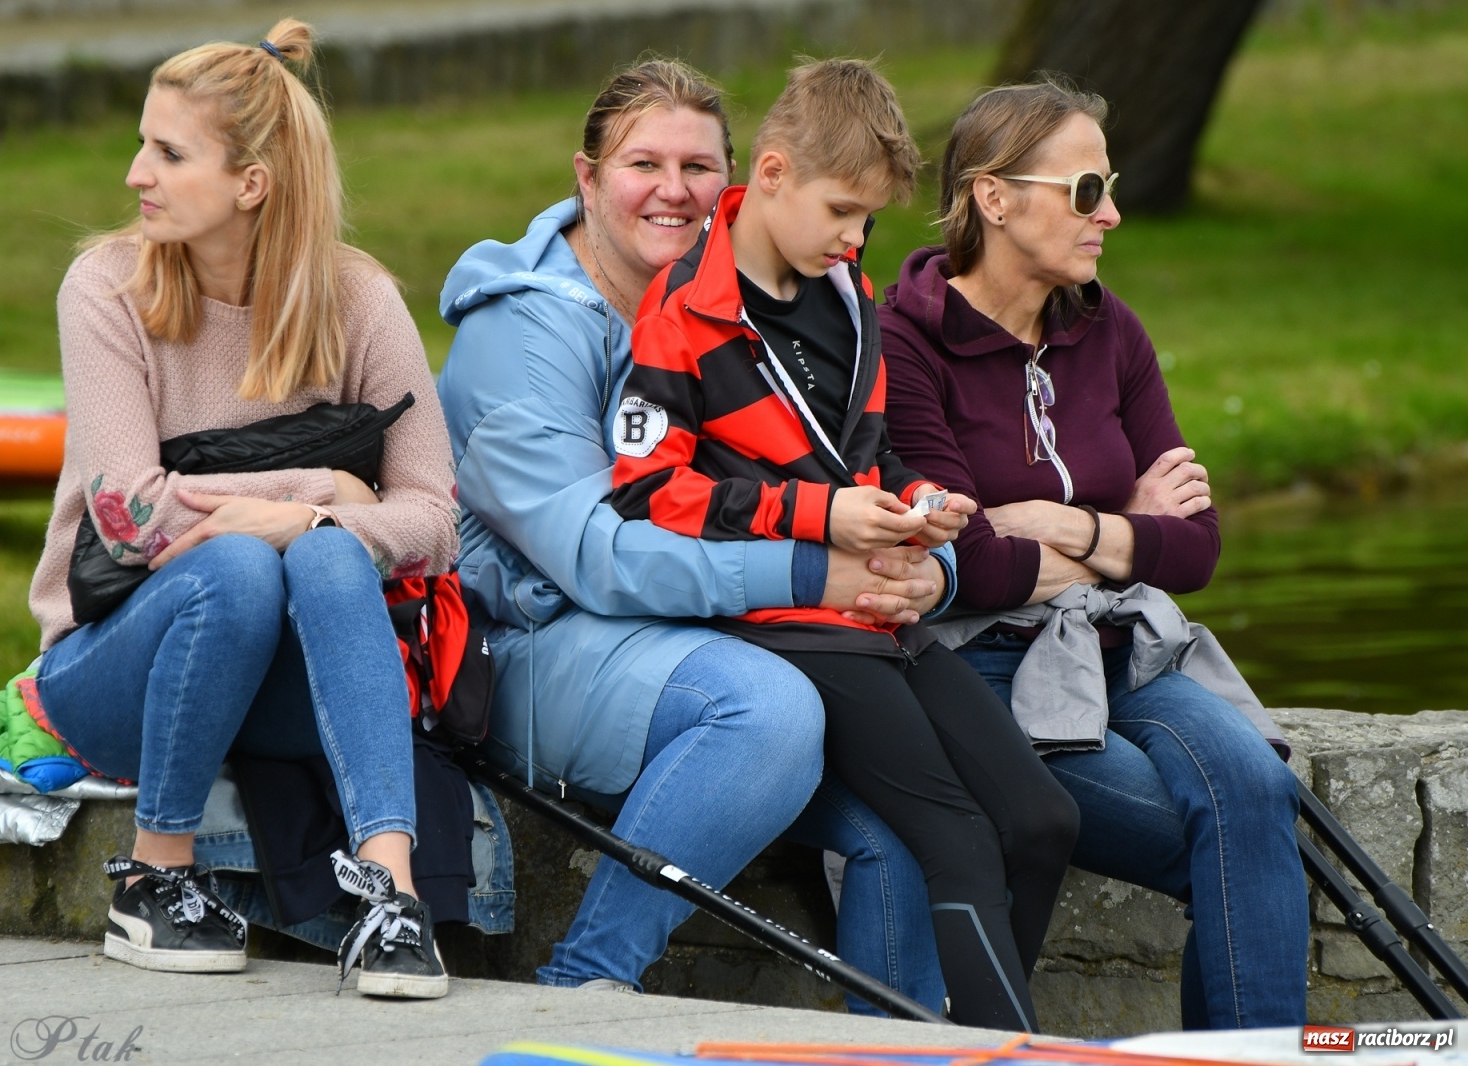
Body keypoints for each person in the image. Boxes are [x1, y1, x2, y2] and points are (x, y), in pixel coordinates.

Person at [437, 58, 952, 1013]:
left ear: (745, 175)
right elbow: (591, 556)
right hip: (532, 641)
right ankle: (587, 983)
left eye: (698, 166)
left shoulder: (751, 302)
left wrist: (924, 561)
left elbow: (848, 475)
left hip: (703, 623)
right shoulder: (523, 334)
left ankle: (896, 1039)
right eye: (643, 163)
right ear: (587, 180)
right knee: (770, 713)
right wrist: (814, 570)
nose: (674, 191)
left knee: (911, 809)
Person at [609, 59, 1078, 1032]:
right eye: (842, 212)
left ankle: (973, 1032)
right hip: (788, 631)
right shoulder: (681, 311)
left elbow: (872, 452)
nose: (857, 239)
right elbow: (649, 489)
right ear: (771, 173)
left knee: (1042, 820)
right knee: (954, 835)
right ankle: (1011, 1047)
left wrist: (919, 497)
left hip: (881, 614)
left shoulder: (849, 288)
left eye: (868, 220)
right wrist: (818, 517)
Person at [25, 20, 458, 998]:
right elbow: (129, 515)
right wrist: (322, 491)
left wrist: (319, 520)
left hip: (286, 691)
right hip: (112, 675)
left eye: (167, 152)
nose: (136, 172)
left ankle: (391, 900)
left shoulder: (360, 299)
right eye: (143, 142)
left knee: (326, 555)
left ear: (251, 183)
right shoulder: (105, 287)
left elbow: (435, 517)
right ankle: (153, 877)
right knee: (238, 564)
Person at [877, 78, 1308, 1029]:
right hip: (983, 671)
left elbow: (1195, 547)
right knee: (1235, 838)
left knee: (1257, 785)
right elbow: (975, 564)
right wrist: (1127, 534)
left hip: (1124, 649)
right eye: (1084, 192)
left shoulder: (1109, 328)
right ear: (994, 198)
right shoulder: (903, 341)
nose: (1110, 213)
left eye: (1107, 186)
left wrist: (1067, 526)